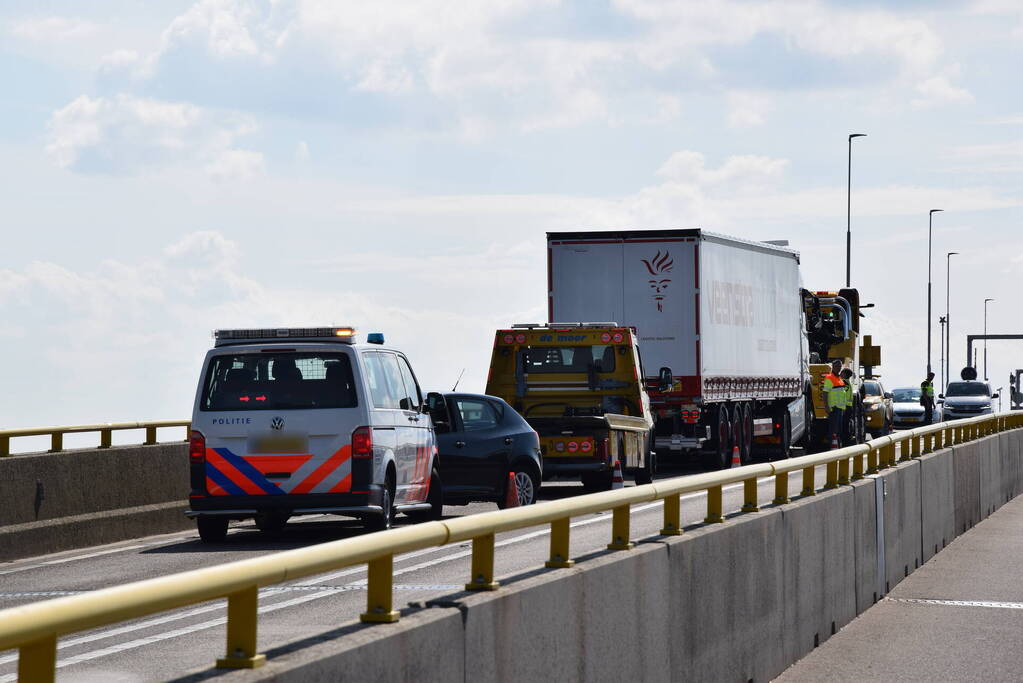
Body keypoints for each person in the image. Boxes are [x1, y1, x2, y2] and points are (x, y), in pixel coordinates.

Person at [822, 359, 846, 448]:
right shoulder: (829, 377)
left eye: (840, 366)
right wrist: (826, 406)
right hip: (833, 408)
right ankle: (831, 447)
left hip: (839, 408)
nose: (838, 368)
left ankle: (837, 447)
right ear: (833, 366)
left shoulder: (839, 378)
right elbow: (825, 393)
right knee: (833, 430)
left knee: (838, 430)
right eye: (836, 366)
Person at [840, 368, 855, 445]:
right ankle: (847, 442)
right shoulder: (847, 382)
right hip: (848, 407)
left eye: (842, 372)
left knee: (844, 426)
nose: (840, 373)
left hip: (845, 407)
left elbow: (842, 395)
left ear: (845, 374)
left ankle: (846, 443)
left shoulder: (844, 383)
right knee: (845, 426)